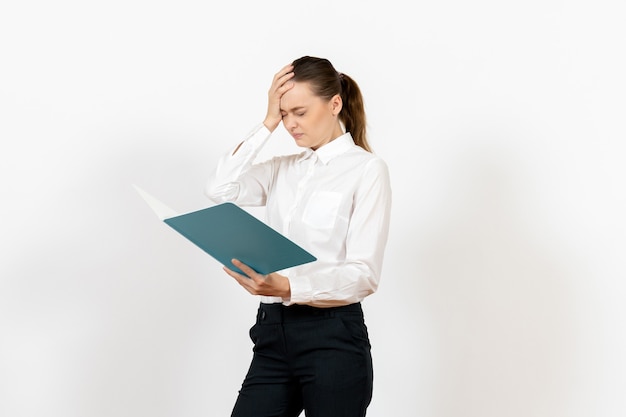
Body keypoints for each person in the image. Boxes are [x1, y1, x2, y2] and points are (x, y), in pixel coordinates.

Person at [205, 55, 392, 417]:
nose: (291, 124)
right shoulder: (282, 170)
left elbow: (363, 275)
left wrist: (289, 288)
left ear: (334, 103)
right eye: (284, 113)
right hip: (272, 333)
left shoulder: (366, 170)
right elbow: (218, 189)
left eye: (300, 112)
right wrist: (267, 123)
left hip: (332, 338)